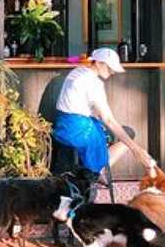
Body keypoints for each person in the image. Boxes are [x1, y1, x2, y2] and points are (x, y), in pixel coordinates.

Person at [52, 47, 155, 176]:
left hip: (62, 126)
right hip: (77, 131)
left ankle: (97, 170)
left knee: (111, 132)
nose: (112, 72)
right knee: (128, 133)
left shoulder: (76, 71)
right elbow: (108, 120)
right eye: (109, 68)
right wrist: (136, 149)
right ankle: (98, 172)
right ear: (99, 63)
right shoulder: (94, 83)